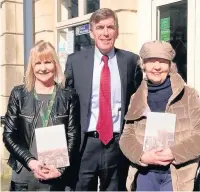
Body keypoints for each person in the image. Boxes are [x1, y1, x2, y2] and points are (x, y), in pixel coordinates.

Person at [65, 8, 142, 191]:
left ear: (117, 31)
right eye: (100, 27)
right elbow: (65, 104)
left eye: (110, 27)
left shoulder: (130, 61)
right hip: (85, 144)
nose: (105, 33)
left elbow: (139, 100)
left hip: (117, 144)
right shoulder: (75, 62)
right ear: (91, 33)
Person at [119, 40, 200, 191]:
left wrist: (173, 152)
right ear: (143, 64)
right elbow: (126, 137)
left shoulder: (189, 95)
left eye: (162, 61)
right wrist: (141, 156)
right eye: (151, 61)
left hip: (177, 175)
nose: (156, 66)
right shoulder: (136, 98)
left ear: (170, 65)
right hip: (145, 173)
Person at [3, 40, 80, 191]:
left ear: (55, 64)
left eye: (48, 62)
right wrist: (31, 161)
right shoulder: (19, 94)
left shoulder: (68, 96)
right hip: (24, 176)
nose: (43, 68)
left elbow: (73, 137)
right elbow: (8, 135)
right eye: (38, 63)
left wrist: (60, 169)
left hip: (56, 177)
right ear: (31, 66)